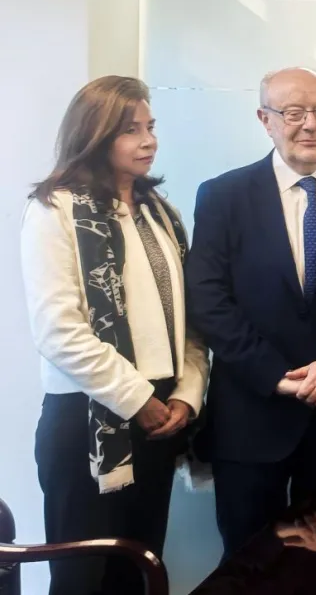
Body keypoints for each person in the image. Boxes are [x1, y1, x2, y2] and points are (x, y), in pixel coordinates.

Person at [185, 67, 316, 556]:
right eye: (294, 112)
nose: (311, 124)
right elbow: (209, 300)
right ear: (265, 119)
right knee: (250, 563)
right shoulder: (222, 196)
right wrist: (276, 375)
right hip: (251, 417)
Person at [21, 76, 208, 594]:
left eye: (150, 127)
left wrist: (187, 397)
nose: (149, 140)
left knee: (141, 575)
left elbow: (191, 326)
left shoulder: (161, 214)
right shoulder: (53, 210)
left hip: (160, 422)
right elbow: (59, 332)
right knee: (82, 582)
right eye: (131, 130)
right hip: (84, 425)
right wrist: (137, 399)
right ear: (95, 135)